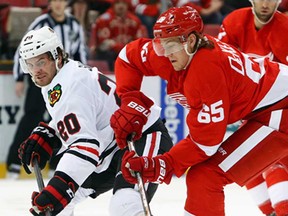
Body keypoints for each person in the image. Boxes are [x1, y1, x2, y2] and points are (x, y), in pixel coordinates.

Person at [109, 5, 288, 215]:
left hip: (280, 110)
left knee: (206, 176)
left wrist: (163, 164)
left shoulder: (206, 73)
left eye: (171, 45)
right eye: (161, 45)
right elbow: (128, 57)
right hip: (265, 106)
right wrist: (129, 100)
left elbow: (205, 143)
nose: (165, 53)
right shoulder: (173, 55)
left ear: (191, 41)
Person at [17, 26, 173, 216]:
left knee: (124, 205)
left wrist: (59, 188)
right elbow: (84, 117)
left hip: (142, 136)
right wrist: (52, 133)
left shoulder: (71, 84)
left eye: (40, 62)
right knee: (60, 208)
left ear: (57, 57)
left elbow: (85, 147)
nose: (36, 71)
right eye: (30, 64)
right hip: (110, 146)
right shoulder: (60, 77)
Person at [218, 0, 288, 214]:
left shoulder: (284, 28)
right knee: (248, 165)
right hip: (248, 106)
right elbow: (219, 63)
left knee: (268, 158)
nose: (266, 4)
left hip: (278, 106)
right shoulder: (234, 21)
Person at [6, 0, 88, 179]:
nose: (58, 4)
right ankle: (13, 164)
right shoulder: (41, 23)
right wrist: (19, 77)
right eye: (54, 1)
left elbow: (80, 52)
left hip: (65, 80)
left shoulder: (74, 24)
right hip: (42, 79)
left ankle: (56, 165)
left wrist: (82, 76)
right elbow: (23, 51)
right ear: (50, 4)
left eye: (61, 0)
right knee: (31, 119)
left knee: (62, 121)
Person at [89, 0, 147, 71]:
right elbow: (104, 43)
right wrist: (122, 48)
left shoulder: (135, 20)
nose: (121, 6)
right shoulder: (104, 19)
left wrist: (127, 48)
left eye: (123, 3)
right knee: (109, 54)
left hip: (128, 52)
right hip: (110, 54)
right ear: (113, 4)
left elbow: (139, 42)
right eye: (118, 3)